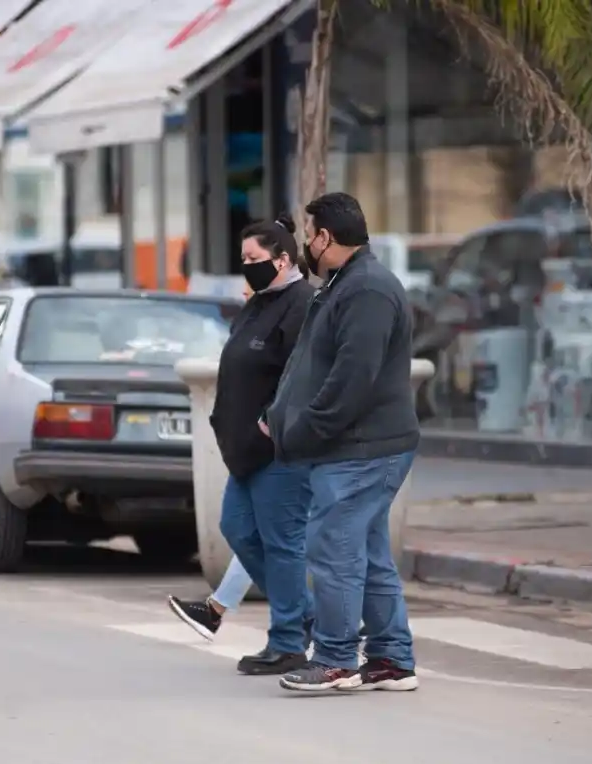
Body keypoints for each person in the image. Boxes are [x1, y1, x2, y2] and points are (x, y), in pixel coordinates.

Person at [265, 192, 422, 693]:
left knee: (334, 549)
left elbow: (353, 378)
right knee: (367, 551)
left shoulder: (367, 290)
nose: (306, 242)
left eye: (309, 234)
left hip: (362, 448)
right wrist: (280, 413)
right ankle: (392, 659)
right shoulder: (343, 284)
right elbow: (315, 362)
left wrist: (305, 426)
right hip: (355, 445)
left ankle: (334, 658)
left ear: (326, 238)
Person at [169, 214, 314, 675]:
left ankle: (289, 640)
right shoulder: (259, 304)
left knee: (281, 543)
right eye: (243, 259)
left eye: (254, 259)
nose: (247, 267)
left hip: (278, 451)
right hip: (245, 452)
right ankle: (308, 618)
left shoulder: (301, 303)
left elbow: (302, 376)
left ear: (284, 258)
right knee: (237, 529)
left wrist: (272, 423)